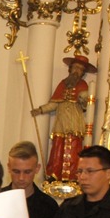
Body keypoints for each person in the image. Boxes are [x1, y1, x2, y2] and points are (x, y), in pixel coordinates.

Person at [32, 54, 95, 182]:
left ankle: (72, 175)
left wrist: (84, 98)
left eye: (80, 69)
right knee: (58, 148)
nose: (77, 71)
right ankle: (54, 173)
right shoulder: (62, 84)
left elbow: (86, 105)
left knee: (74, 148)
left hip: (74, 121)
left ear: (83, 73)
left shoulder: (83, 85)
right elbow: (54, 103)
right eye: (75, 68)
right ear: (70, 69)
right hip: (61, 122)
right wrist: (40, 110)